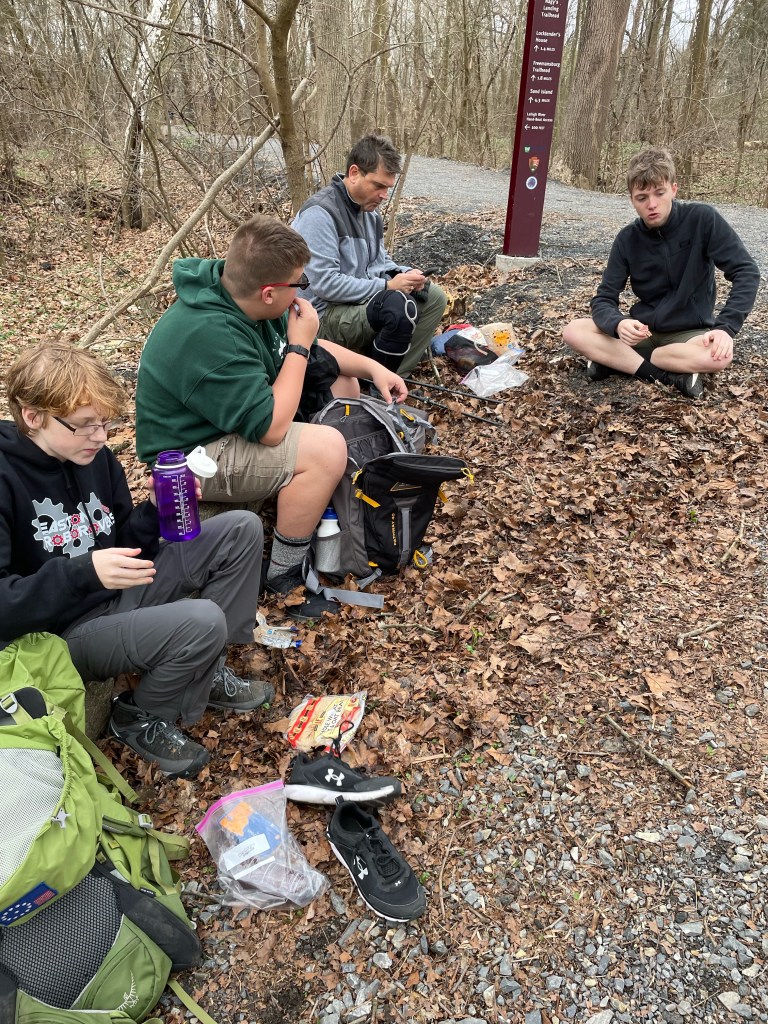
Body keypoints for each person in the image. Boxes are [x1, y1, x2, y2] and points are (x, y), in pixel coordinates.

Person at [0, 342, 272, 780]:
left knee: (240, 528)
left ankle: (208, 670)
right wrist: (82, 572)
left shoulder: (96, 459)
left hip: (119, 589)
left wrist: (153, 513)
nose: (102, 437)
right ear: (33, 417)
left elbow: (125, 538)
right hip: (62, 633)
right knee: (202, 619)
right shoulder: (5, 477)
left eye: (105, 423)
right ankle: (139, 716)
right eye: (85, 426)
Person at [135, 215, 407, 618]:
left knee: (344, 385)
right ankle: (284, 574)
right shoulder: (209, 334)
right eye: (299, 283)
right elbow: (271, 428)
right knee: (326, 449)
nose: (303, 292)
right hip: (188, 461)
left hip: (226, 430)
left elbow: (310, 345)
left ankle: (319, 512)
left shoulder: (240, 296)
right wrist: (298, 346)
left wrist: (373, 368)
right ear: (268, 293)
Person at [562, 147, 760, 399]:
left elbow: (746, 272)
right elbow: (604, 298)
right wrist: (619, 323)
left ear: (674, 189)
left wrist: (725, 328)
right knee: (574, 331)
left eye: (659, 193)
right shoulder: (627, 239)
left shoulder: (702, 219)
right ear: (632, 200)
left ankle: (616, 361)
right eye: (642, 197)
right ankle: (664, 375)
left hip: (688, 335)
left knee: (720, 355)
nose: (652, 204)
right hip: (643, 331)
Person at [291, 134, 448, 377]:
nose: (384, 195)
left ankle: (392, 376)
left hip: (357, 306)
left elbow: (379, 263)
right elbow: (324, 284)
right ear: (354, 173)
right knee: (396, 306)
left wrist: (404, 274)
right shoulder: (320, 214)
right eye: (378, 186)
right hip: (319, 316)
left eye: (388, 187)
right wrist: (386, 285)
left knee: (434, 297)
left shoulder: (370, 214)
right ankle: (374, 384)